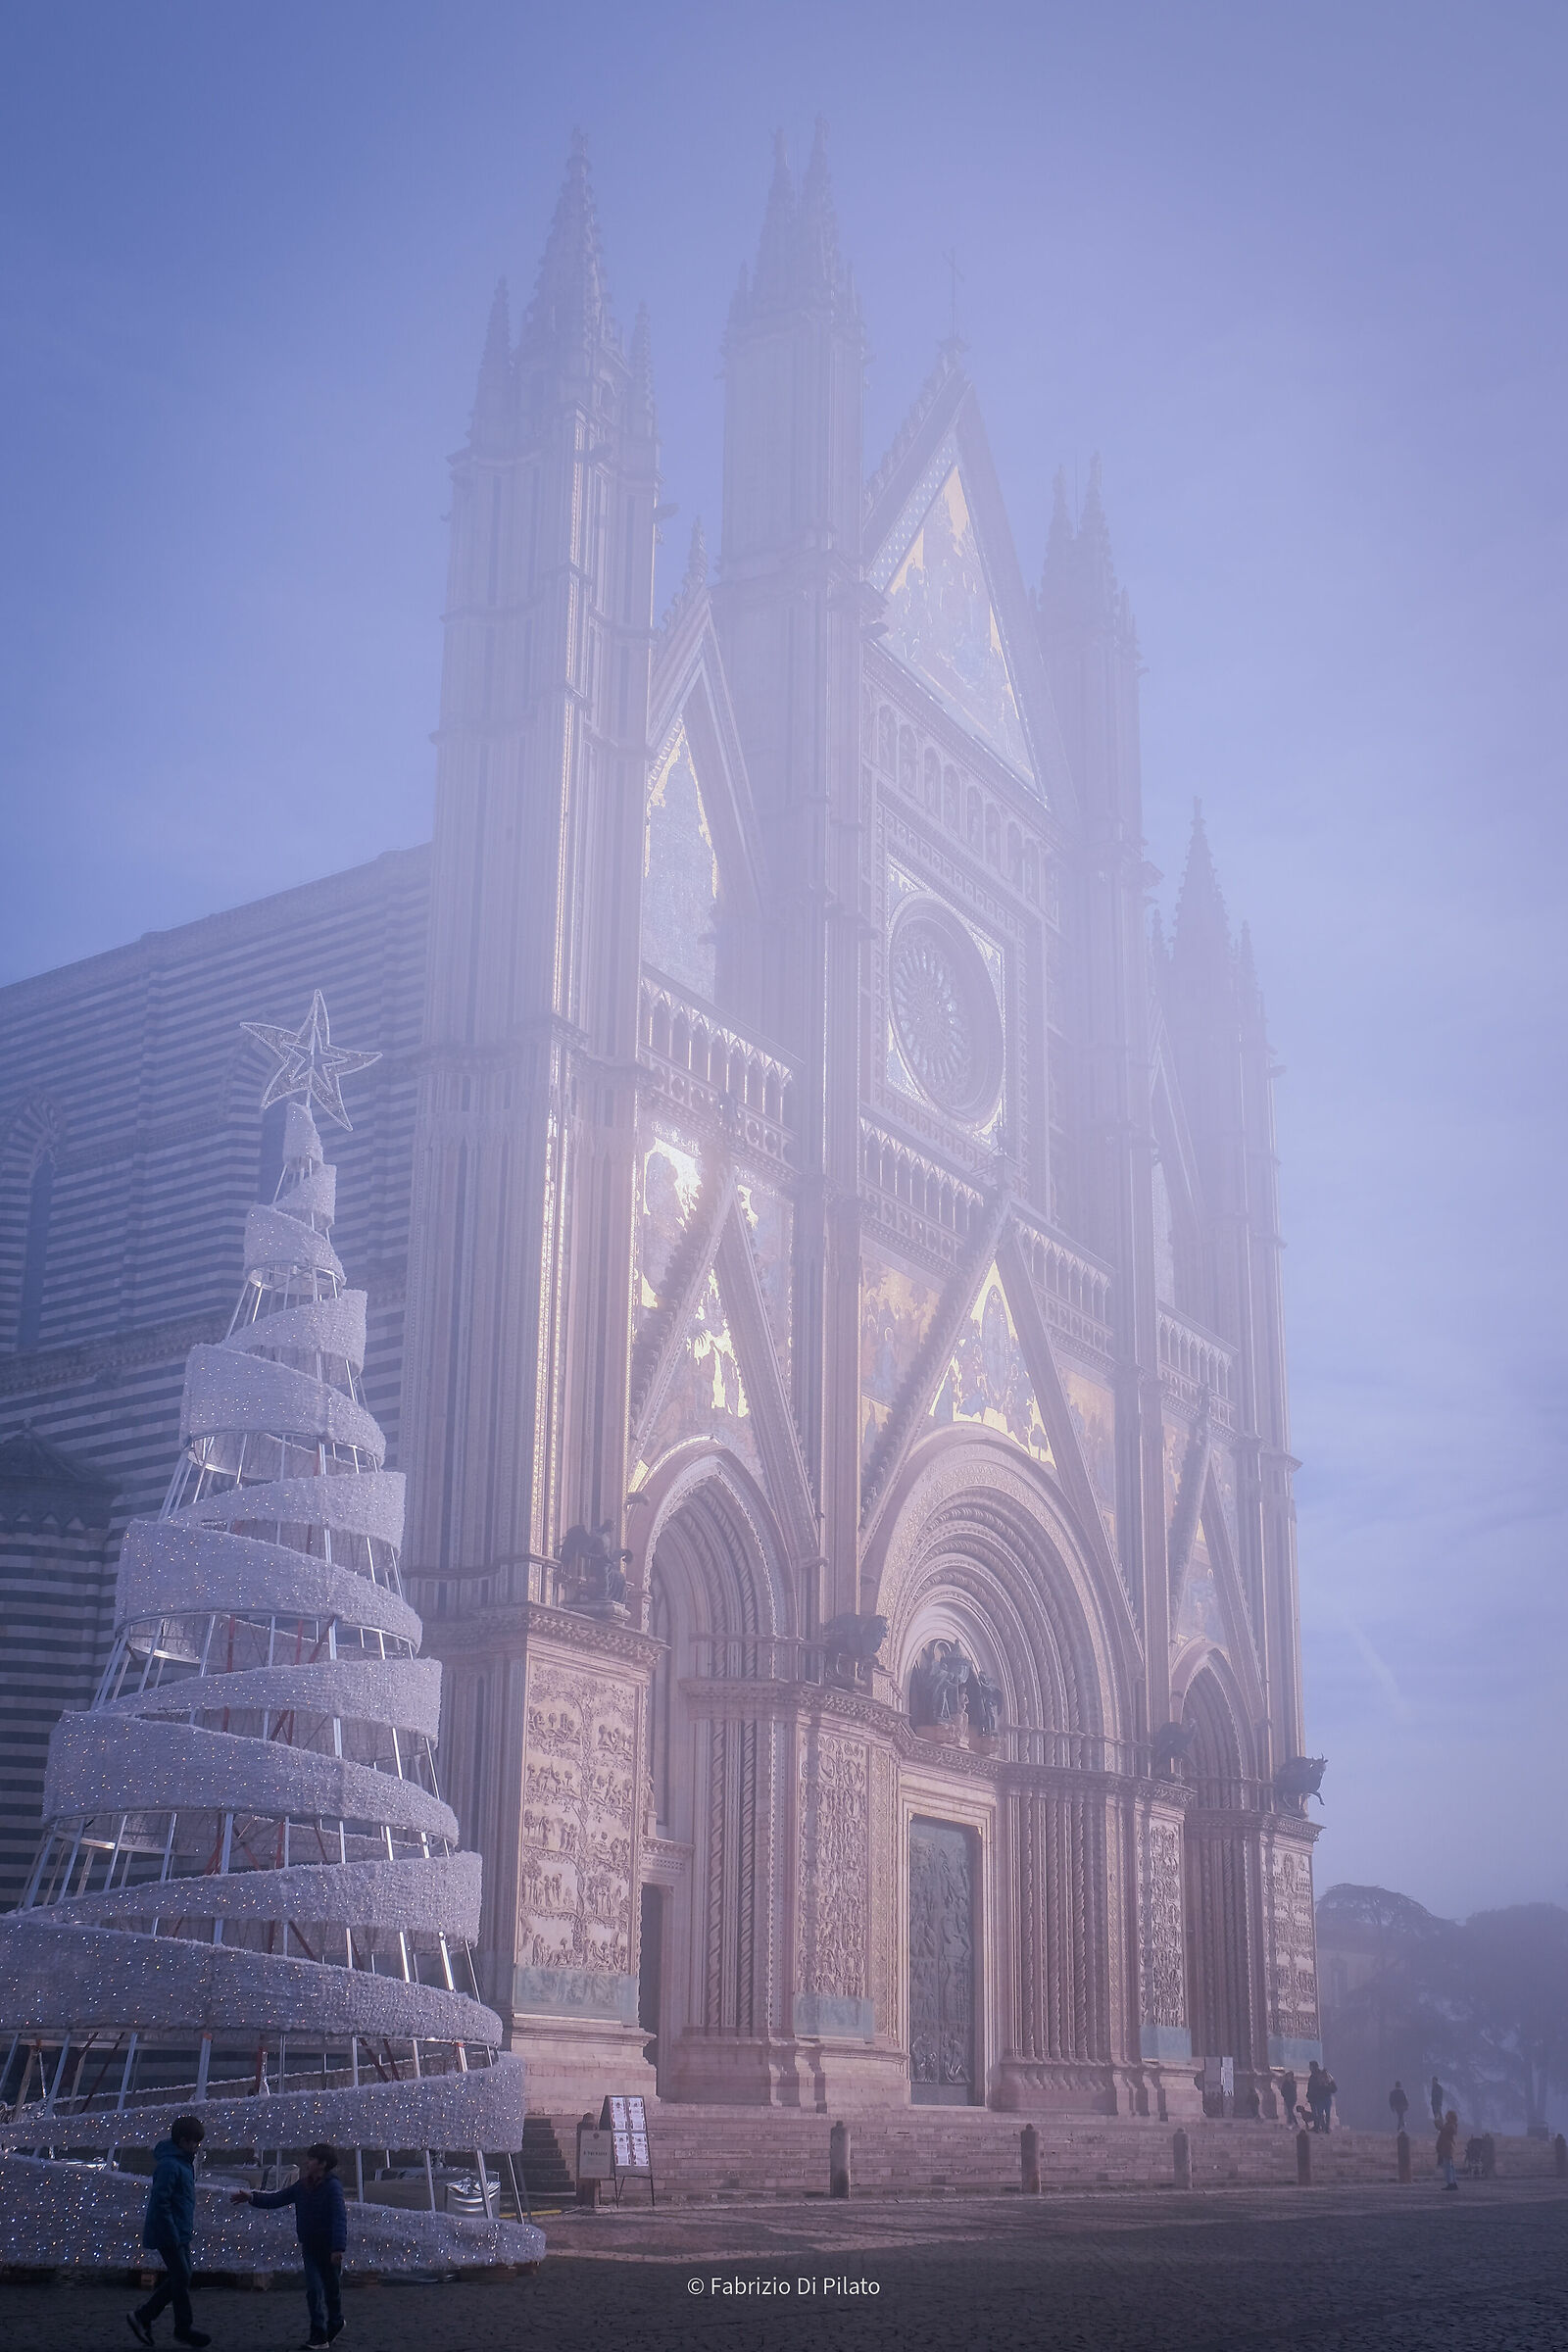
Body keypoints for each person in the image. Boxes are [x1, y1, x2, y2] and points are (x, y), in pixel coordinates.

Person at [235, 2141, 349, 2347]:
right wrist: (252, 2197)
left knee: (332, 2290)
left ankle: (335, 2321)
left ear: (322, 2164)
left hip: (328, 2247)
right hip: (310, 2247)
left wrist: (338, 2248)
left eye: (312, 2159)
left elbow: (339, 2218)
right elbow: (277, 2199)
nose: (307, 2162)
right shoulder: (302, 2186)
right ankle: (319, 2335)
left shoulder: (333, 2187)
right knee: (314, 2290)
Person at [126, 2113, 211, 2348]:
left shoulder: (180, 2163)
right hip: (169, 2232)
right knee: (182, 2276)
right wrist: (172, 2234)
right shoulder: (170, 2165)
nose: (196, 2147)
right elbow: (160, 2202)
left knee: (182, 2276)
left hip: (178, 2230)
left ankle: (148, 2317)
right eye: (194, 2142)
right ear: (183, 2141)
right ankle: (175, 2325)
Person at [1437, 2107, 1460, 2190]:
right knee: (1450, 2166)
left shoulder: (1451, 2126)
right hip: (1447, 2147)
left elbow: (1443, 2129)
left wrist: (1438, 2122)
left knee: (1448, 2166)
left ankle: (1450, 2183)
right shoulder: (1450, 2125)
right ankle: (1452, 2182)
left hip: (1447, 2148)